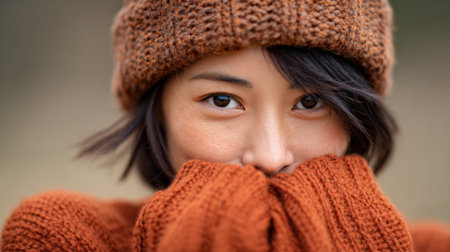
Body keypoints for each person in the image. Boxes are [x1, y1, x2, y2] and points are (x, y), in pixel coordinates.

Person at [1, 0, 449, 251]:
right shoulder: (64, 236)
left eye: (310, 102)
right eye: (223, 101)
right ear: (157, 112)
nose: (271, 156)